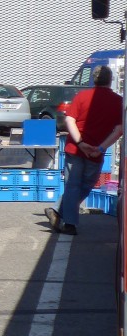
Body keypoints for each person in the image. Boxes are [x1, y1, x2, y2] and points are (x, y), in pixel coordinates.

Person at [44, 65, 123, 235]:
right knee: (87, 185)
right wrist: (101, 148)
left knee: (72, 185)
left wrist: (80, 143)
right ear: (111, 80)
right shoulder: (117, 101)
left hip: (75, 148)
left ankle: (60, 213)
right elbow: (119, 130)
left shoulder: (81, 96)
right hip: (96, 151)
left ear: (93, 79)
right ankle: (65, 218)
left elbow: (70, 120)